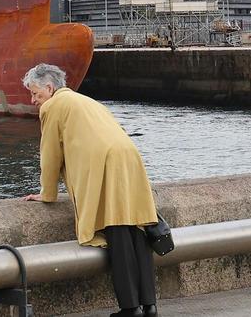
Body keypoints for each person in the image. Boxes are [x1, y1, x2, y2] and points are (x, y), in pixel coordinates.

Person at [21, 63, 159, 317]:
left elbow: (50, 155)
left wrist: (48, 193)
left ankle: (130, 308)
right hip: (129, 157)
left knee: (117, 231)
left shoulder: (53, 106)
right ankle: (149, 306)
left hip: (105, 163)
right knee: (137, 229)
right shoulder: (86, 101)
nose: (33, 101)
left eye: (35, 94)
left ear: (49, 88)